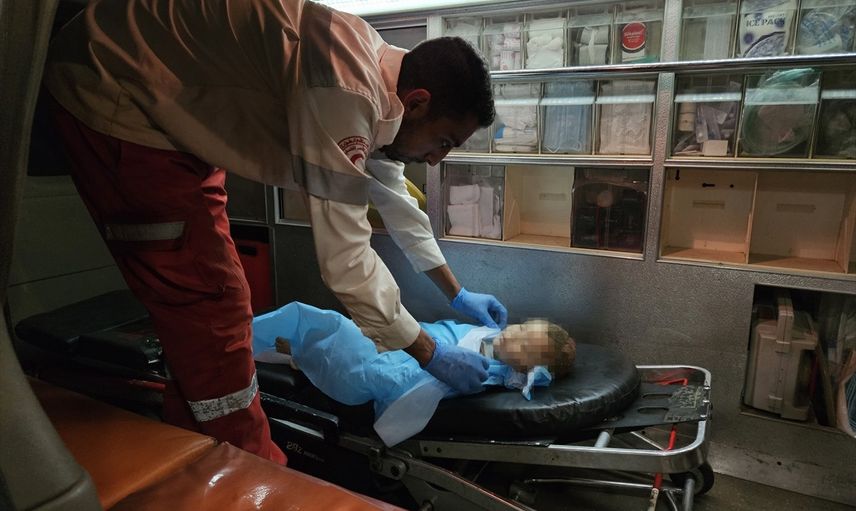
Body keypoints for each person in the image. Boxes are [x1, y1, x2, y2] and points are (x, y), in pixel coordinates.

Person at [43, 0, 508, 464]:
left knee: (216, 297)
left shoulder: (379, 82)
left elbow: (395, 199)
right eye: (444, 142)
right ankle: (245, 466)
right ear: (418, 102)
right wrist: (429, 353)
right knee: (211, 299)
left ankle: (195, 433)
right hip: (116, 88)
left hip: (165, 109)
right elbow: (346, 262)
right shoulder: (347, 92)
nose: (437, 160)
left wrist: (457, 293)